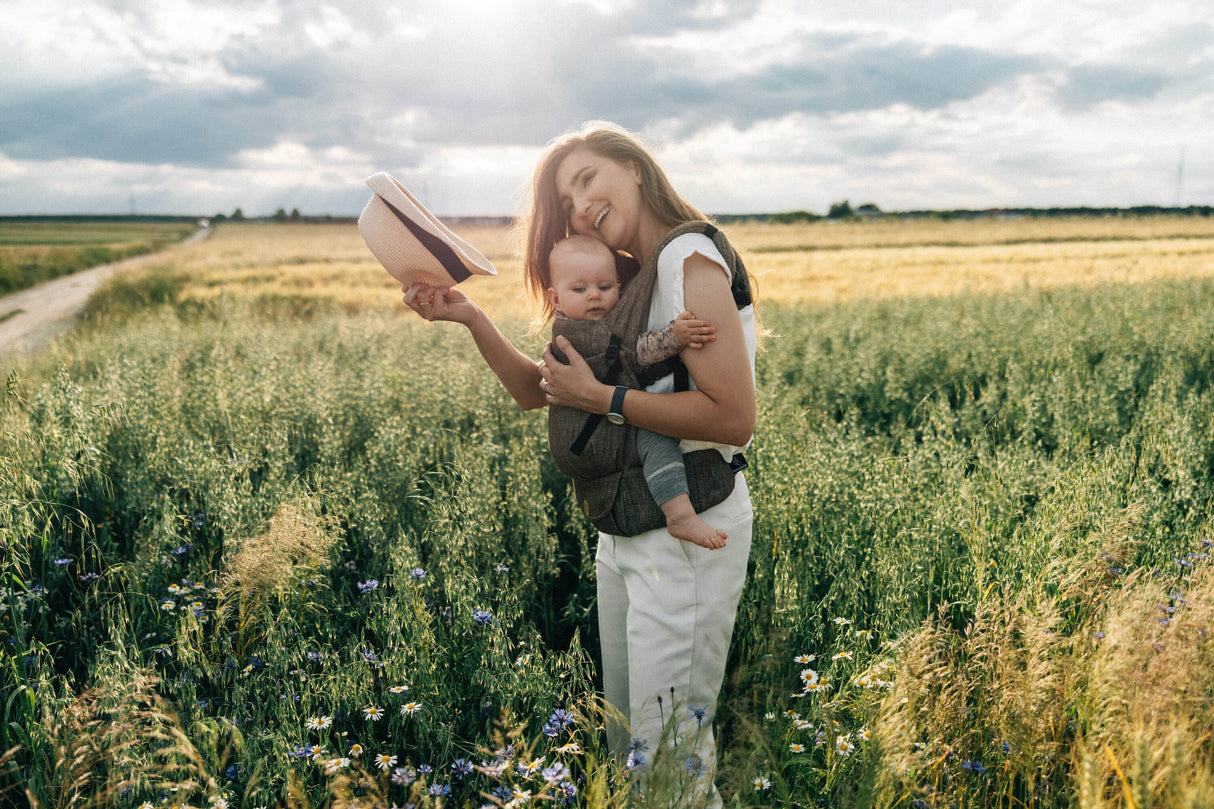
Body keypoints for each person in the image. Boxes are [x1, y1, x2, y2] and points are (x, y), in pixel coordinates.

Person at [402, 121, 756, 808]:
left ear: (632, 164)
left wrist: (607, 398)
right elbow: (542, 390)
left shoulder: (686, 257)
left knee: (668, 773)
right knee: (637, 757)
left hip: (685, 530)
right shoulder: (625, 281)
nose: (579, 204)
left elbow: (732, 417)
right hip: (623, 537)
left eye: (587, 179)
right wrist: (472, 317)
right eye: (565, 200)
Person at [546, 234, 726, 551]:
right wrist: (676, 335)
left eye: (605, 287)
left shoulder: (564, 327)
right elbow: (635, 351)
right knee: (657, 436)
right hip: (600, 435)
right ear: (554, 298)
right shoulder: (588, 332)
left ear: (619, 286)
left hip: (584, 443)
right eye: (580, 289)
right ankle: (679, 513)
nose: (593, 297)